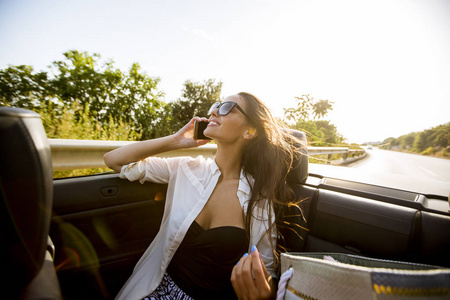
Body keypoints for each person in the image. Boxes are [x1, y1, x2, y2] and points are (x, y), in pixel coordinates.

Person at [103, 92, 304, 300]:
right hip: (158, 292)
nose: (215, 111)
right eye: (216, 105)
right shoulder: (185, 168)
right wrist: (175, 141)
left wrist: (265, 293)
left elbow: (266, 274)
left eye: (227, 107)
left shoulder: (259, 199)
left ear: (250, 131)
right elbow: (114, 160)